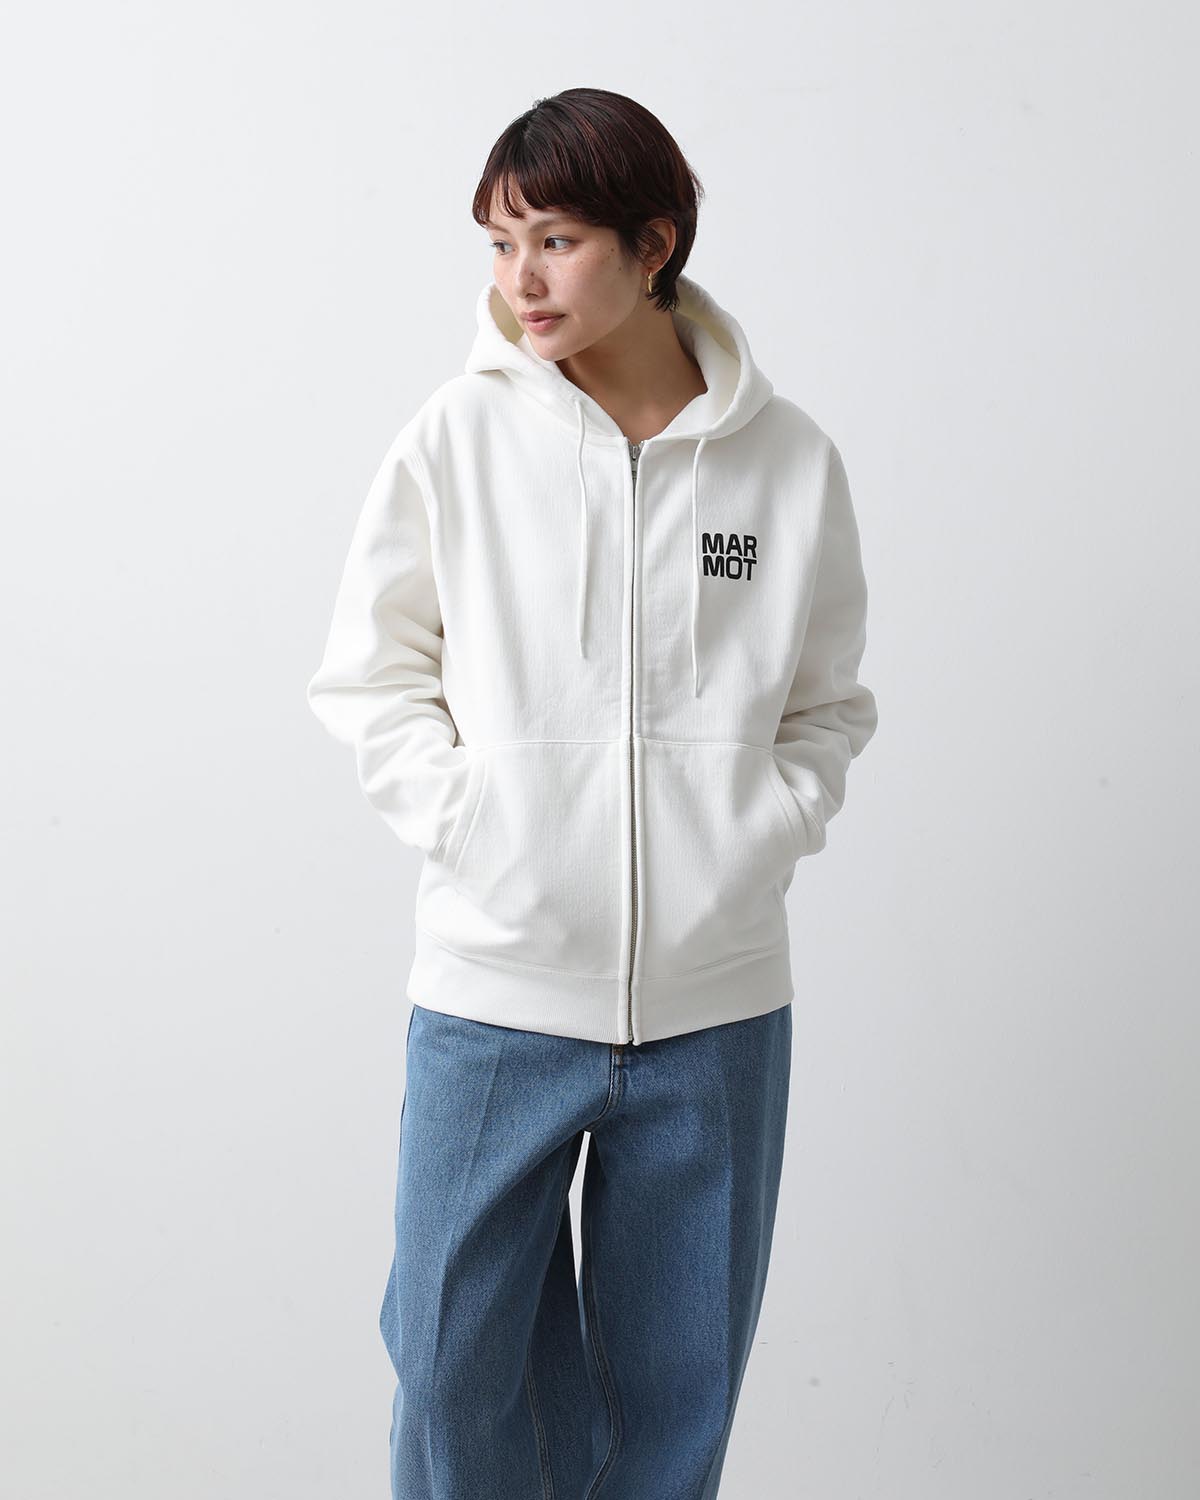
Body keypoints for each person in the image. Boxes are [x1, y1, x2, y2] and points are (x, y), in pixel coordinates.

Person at [307, 86, 878, 1500]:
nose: (522, 279)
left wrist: (758, 833)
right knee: (450, 1370)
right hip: (495, 992)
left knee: (670, 1405)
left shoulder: (787, 462)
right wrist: (476, 829)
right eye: (502, 244)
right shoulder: (456, 439)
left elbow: (826, 705)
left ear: (653, 244)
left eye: (555, 240)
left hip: (716, 1011)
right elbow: (370, 675)